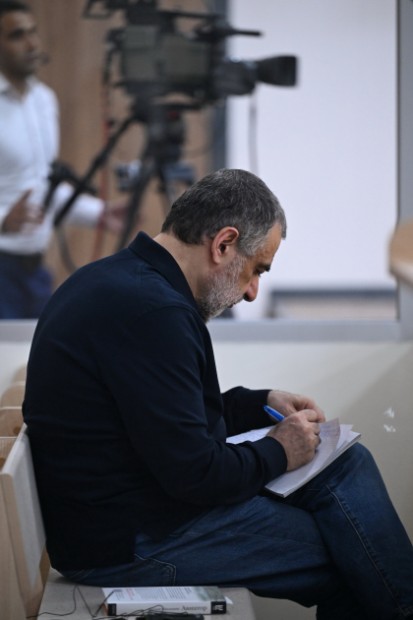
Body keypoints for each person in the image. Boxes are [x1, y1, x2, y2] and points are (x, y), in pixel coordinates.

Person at [23, 169, 413, 620]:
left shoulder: (118, 281)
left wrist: (260, 402)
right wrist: (279, 450)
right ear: (224, 244)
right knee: (353, 557)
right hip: (128, 543)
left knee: (347, 463)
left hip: (122, 516)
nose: (252, 293)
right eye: (256, 270)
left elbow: (166, 418)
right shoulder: (154, 312)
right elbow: (196, 473)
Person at [0, 1, 123, 318]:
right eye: (17, 35)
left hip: (35, 271)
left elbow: (43, 188)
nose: (32, 44)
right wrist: (1, 220)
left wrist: (99, 213)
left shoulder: (43, 100)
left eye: (33, 32)